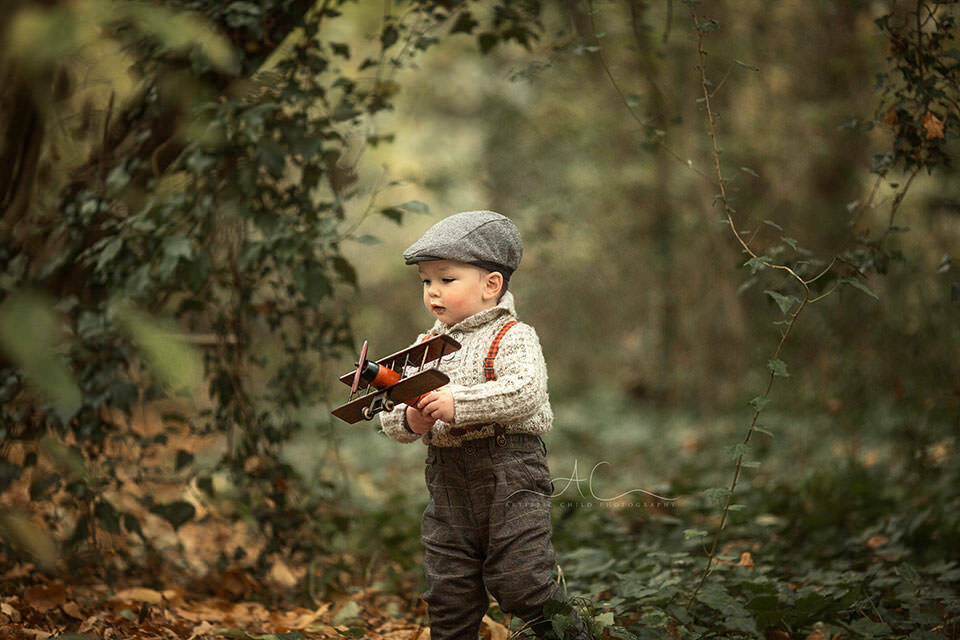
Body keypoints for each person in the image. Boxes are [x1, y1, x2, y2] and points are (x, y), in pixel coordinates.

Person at [379, 211, 591, 639]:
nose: (433, 291)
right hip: (447, 479)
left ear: (491, 285)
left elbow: (526, 391)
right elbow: (391, 408)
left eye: (447, 279)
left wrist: (458, 402)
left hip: (510, 470)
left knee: (522, 581)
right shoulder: (424, 346)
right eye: (426, 281)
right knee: (448, 591)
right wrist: (411, 419)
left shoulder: (513, 335)